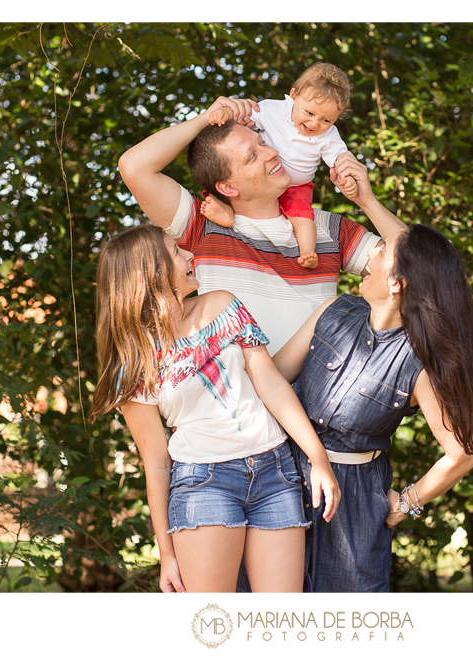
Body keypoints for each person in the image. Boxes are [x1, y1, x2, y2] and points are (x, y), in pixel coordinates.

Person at [88, 223, 340, 593]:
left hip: (275, 473)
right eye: (177, 251)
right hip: (204, 485)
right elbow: (156, 462)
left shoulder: (223, 304)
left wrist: (317, 458)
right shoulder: (135, 362)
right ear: (153, 272)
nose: (190, 256)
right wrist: (166, 553)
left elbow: (270, 383)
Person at [271, 224, 473, 592]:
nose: (368, 254)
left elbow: (462, 453)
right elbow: (270, 382)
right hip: (282, 480)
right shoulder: (332, 311)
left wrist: (406, 503)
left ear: (397, 282)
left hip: (354, 505)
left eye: (381, 250)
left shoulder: (419, 365)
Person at [118, 94, 406, 355]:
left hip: (322, 400)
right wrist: (206, 118)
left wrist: (368, 201)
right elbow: (134, 166)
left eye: (263, 142)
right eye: (253, 156)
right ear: (228, 187)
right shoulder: (202, 223)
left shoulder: (327, 227)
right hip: (244, 402)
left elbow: (415, 265)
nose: (272, 153)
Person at [200, 63, 358, 270]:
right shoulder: (272, 109)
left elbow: (340, 160)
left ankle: (307, 251)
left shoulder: (329, 136)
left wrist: (348, 179)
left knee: (302, 216)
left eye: (326, 119)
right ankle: (227, 213)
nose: (314, 123)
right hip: (261, 176)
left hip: (296, 186)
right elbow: (244, 117)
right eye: (309, 113)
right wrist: (224, 114)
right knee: (228, 181)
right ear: (293, 95)